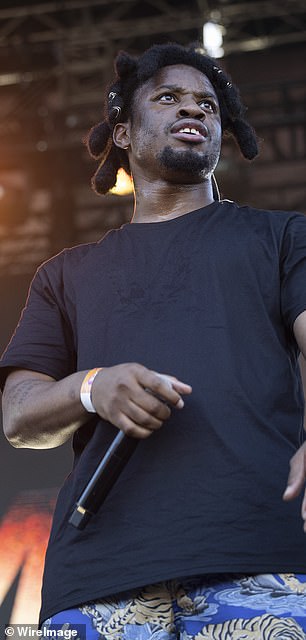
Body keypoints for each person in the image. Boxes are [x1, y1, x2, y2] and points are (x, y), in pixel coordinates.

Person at [1, 42, 306, 640]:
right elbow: (18, 416)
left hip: (256, 557)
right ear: (121, 133)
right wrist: (93, 387)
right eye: (169, 98)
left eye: (208, 106)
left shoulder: (281, 237)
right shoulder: (64, 274)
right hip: (98, 571)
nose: (194, 111)